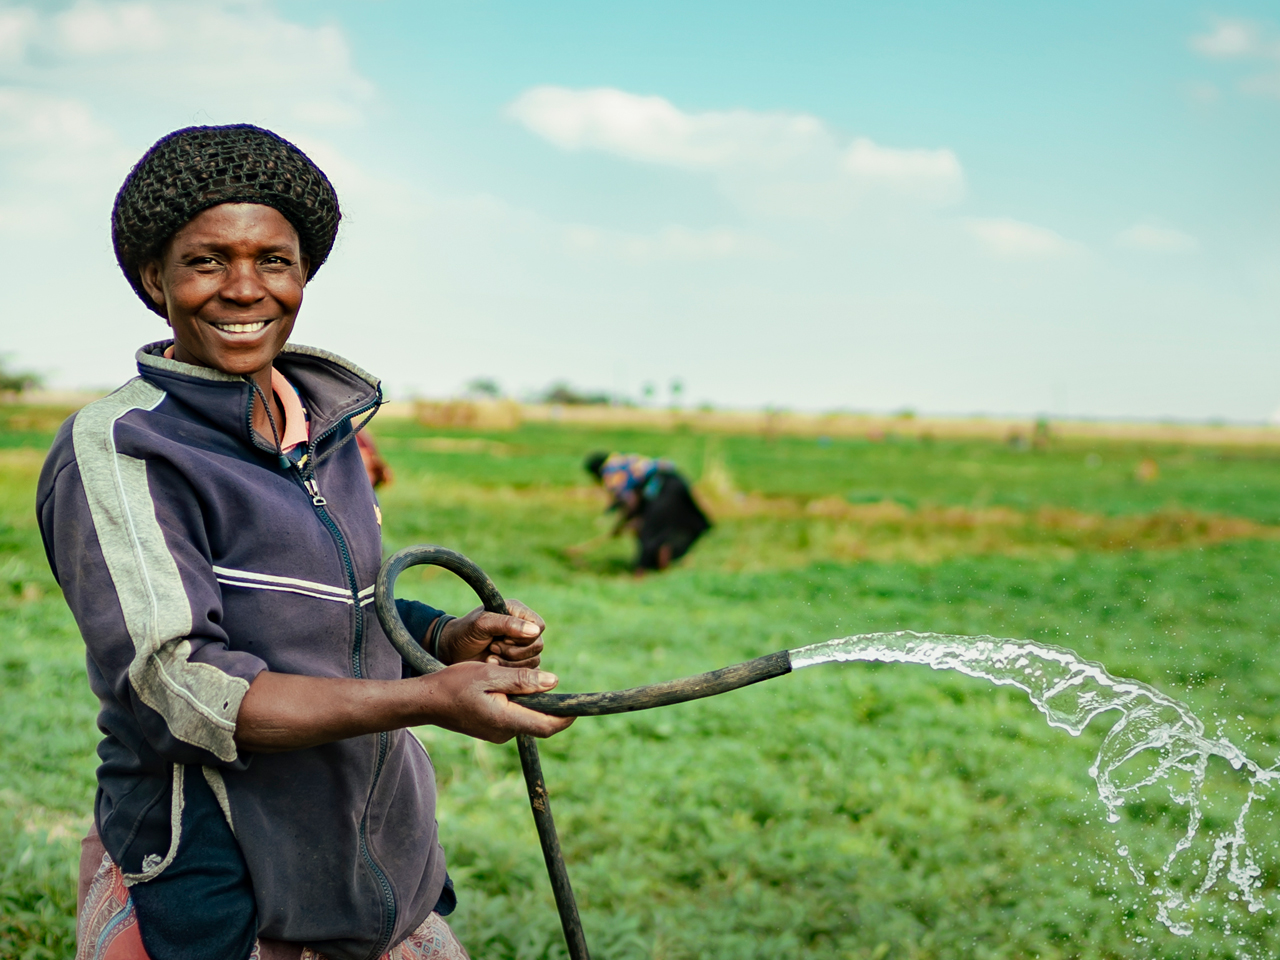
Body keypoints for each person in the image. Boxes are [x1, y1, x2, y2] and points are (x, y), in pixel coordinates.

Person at [36, 124, 572, 960]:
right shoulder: (126, 446)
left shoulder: (325, 424)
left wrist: (442, 638)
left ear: (304, 273)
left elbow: (335, 596)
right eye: (207, 260)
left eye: (273, 261)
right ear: (155, 279)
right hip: (219, 860)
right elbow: (181, 687)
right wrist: (429, 700)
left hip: (367, 835)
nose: (245, 289)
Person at [583, 451, 711, 572]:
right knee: (665, 527)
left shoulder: (610, 473)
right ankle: (660, 568)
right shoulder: (620, 460)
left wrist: (620, 526)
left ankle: (641, 573)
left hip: (661, 486)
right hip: (676, 481)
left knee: (649, 531)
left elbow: (630, 502)